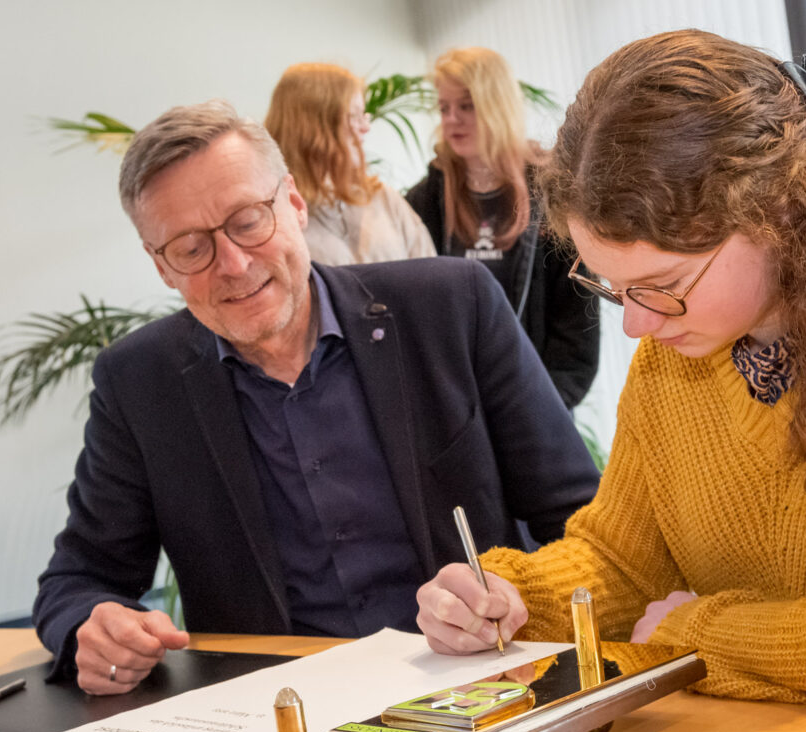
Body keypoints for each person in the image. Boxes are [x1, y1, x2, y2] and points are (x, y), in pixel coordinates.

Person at [32, 100, 600, 695]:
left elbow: (582, 519)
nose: (232, 263)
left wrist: (519, 593)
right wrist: (90, 631)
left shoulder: (450, 306)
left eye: (248, 220)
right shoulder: (139, 382)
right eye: (190, 248)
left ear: (295, 204)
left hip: (484, 681)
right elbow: (79, 578)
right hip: (280, 710)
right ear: (161, 267)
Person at [415, 30, 806, 704]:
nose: (637, 323)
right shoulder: (672, 360)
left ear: (780, 209)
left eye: (662, 284)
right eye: (611, 286)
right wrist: (513, 597)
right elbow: (622, 560)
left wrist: (702, 632)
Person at [405, 47, 599, 411]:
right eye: (444, 108)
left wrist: (543, 408)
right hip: (459, 410)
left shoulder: (551, 191)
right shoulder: (426, 198)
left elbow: (576, 324)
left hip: (540, 407)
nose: (452, 120)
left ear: (497, 105)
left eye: (467, 106)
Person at [264, 63, 435, 265]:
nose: (365, 127)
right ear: (312, 127)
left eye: (364, 115)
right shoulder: (277, 217)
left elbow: (434, 276)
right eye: (354, 116)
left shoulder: (384, 199)